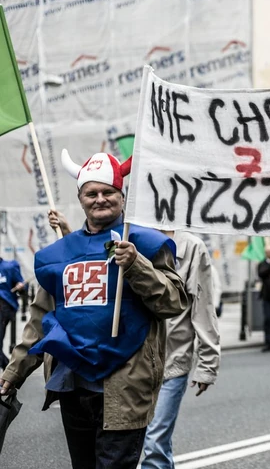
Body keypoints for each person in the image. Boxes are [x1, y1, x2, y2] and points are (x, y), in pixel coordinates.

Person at [1, 151, 188, 469]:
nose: (100, 199)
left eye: (108, 192)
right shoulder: (60, 253)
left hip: (125, 385)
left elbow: (173, 302)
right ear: (81, 199)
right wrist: (14, 373)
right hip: (72, 384)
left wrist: (136, 265)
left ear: (122, 196)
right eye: (92, 193)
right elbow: (40, 319)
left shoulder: (145, 243)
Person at [141, 230, 221, 469]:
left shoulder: (191, 246)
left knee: (155, 444)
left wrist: (207, 365)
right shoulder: (128, 236)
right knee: (125, 446)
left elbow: (203, 306)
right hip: (130, 365)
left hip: (171, 362)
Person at [0, 257, 25, 371]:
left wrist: (20, 287)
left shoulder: (9, 267)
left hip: (4, 307)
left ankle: (10, 372)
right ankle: (10, 372)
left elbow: (22, 286)